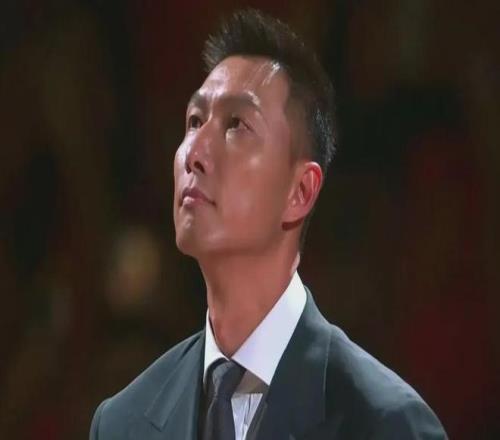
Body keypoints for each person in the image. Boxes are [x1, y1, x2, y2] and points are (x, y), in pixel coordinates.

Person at [90, 9, 447, 440]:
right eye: (194, 121)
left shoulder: (385, 423)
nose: (195, 152)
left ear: (300, 191)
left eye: (236, 124)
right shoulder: (122, 423)